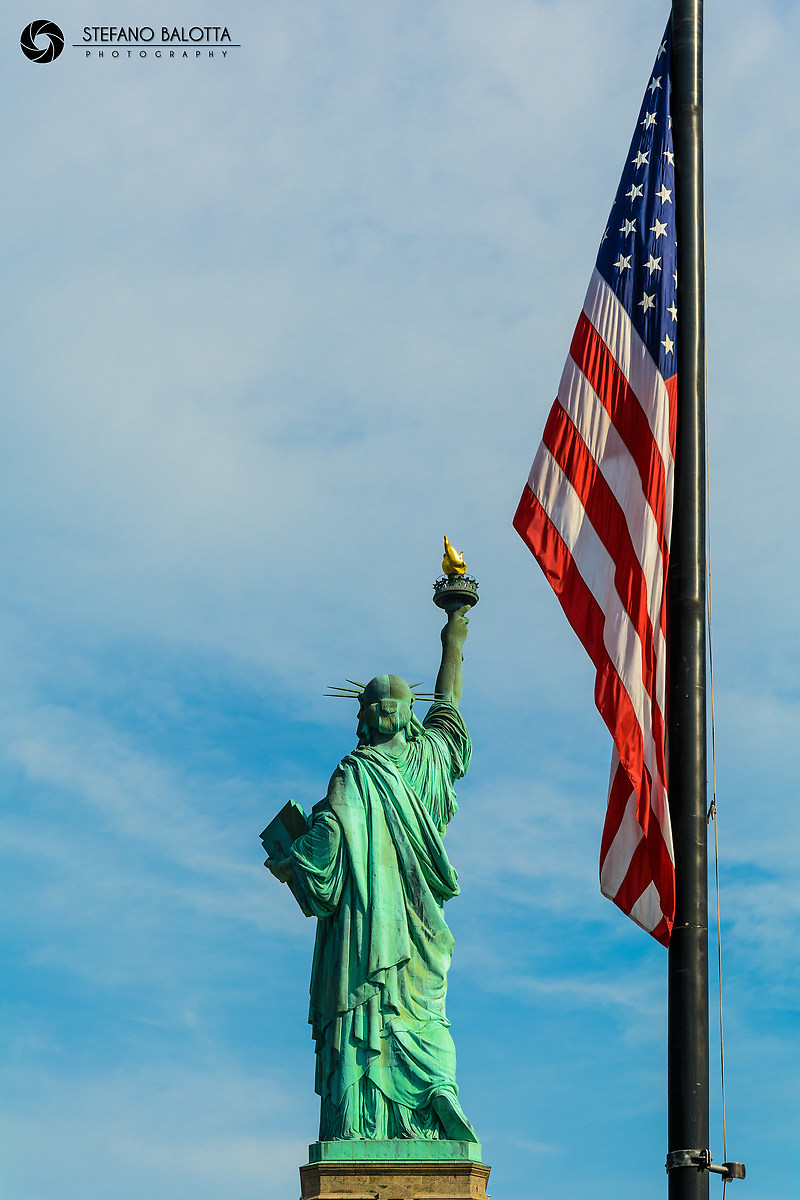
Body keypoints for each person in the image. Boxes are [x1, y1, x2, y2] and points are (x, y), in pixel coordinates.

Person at [266, 606, 477, 1143]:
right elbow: (448, 705)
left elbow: (322, 859)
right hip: (420, 925)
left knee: (367, 1008)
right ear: (408, 715)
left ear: (363, 719)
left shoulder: (352, 773)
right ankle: (436, 1088)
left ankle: (363, 1120)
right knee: (425, 1011)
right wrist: (454, 631)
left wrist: (289, 858)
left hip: (364, 933)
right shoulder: (429, 762)